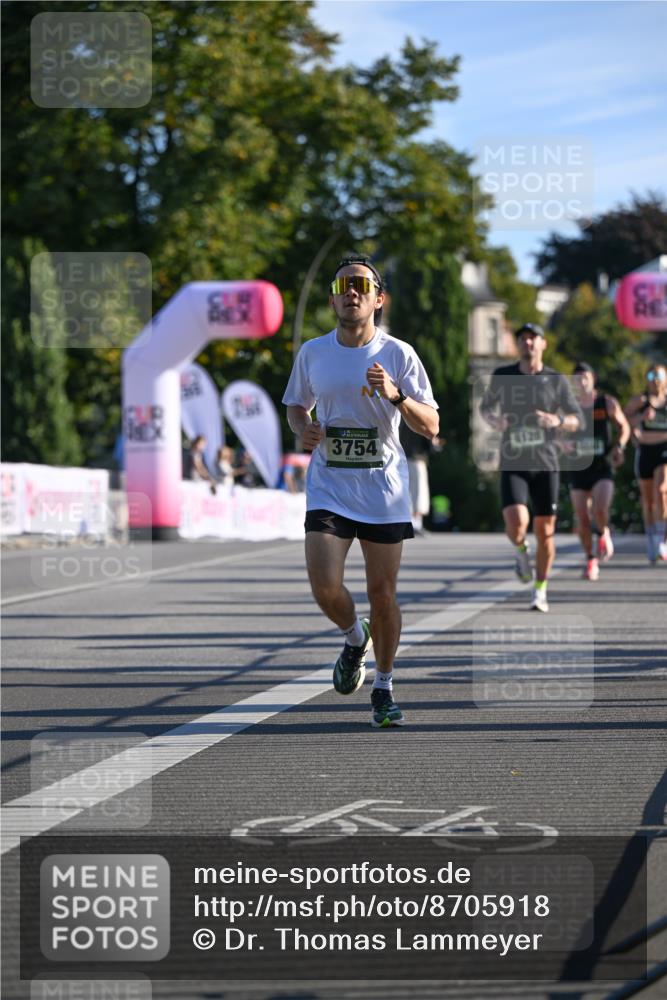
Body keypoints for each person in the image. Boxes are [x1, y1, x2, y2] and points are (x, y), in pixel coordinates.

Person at [282, 255, 439, 727]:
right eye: (343, 285)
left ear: (378, 299)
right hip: (329, 485)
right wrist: (304, 428)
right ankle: (355, 637)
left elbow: (431, 425)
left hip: (382, 490)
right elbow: (296, 406)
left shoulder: (399, 354)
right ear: (333, 299)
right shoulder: (313, 352)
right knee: (324, 586)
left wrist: (396, 395)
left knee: (382, 594)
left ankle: (384, 688)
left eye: (362, 285)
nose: (351, 292)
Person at [480, 322, 582, 612]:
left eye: (533, 338)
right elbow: (486, 407)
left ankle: (540, 590)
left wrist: (556, 420)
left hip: (546, 463)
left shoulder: (556, 380)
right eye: (523, 338)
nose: (528, 343)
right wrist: (495, 420)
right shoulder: (503, 376)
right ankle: (521, 550)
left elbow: (576, 419)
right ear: (519, 344)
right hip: (513, 459)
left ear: (543, 344)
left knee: (545, 531)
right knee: (516, 522)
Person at [563, 363, 630, 580]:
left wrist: (619, 446)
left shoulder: (606, 403)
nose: (581, 382)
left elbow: (624, 427)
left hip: (602, 466)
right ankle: (590, 559)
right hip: (578, 467)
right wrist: (563, 444)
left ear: (593, 379)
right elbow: (556, 431)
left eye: (585, 377)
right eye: (577, 378)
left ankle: (603, 532)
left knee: (600, 510)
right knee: (582, 518)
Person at [624, 363, 667, 563]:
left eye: (659, 375)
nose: (655, 379)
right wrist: (641, 417)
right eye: (651, 375)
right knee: (648, 501)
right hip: (646, 451)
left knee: (661, 490)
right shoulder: (640, 401)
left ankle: (661, 539)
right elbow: (622, 420)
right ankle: (651, 538)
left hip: (664, 449)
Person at [399, 422, 442, 535]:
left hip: (403, 458)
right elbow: (429, 438)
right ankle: (416, 524)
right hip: (416, 458)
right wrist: (435, 445)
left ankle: (408, 523)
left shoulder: (402, 418)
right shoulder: (420, 418)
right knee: (418, 492)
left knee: (407, 491)